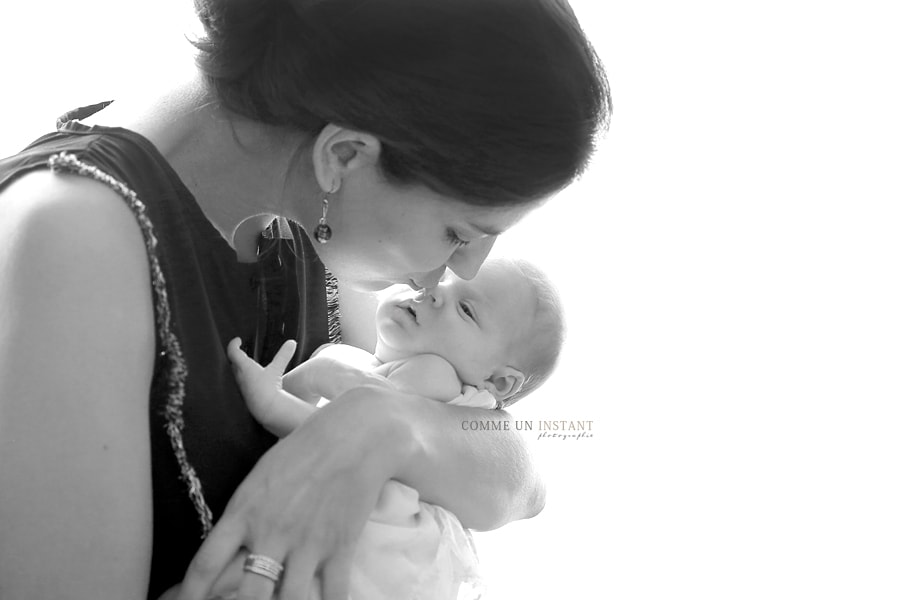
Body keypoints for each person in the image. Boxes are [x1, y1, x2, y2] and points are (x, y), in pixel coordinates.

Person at [0, 1, 610, 599]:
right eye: (459, 232)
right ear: (344, 155)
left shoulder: (310, 208)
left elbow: (520, 483)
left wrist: (381, 426)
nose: (465, 268)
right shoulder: (70, 238)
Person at [167, 257, 563, 600]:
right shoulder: (358, 362)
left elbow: (344, 439)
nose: (434, 292)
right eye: (438, 277)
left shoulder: (434, 376)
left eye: (467, 310)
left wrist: (275, 402)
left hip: (372, 559)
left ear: (498, 383)